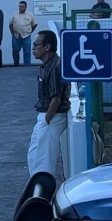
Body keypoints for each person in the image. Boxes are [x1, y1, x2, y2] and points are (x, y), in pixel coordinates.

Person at [27, 30, 71, 179]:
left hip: (52, 117)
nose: (33, 48)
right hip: (46, 116)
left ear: (47, 47)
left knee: (43, 160)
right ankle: (37, 190)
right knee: (34, 156)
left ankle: (42, 194)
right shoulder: (48, 65)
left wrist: (46, 120)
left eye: (36, 45)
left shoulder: (54, 67)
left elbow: (56, 100)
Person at [9, 1, 37, 66]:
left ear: (25, 7)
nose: (20, 8)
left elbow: (35, 24)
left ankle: (27, 65)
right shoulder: (14, 15)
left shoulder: (30, 15)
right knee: (15, 50)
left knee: (27, 52)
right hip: (16, 36)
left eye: (22, 6)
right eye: (19, 6)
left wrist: (30, 32)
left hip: (26, 36)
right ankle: (16, 64)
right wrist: (13, 33)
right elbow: (10, 24)